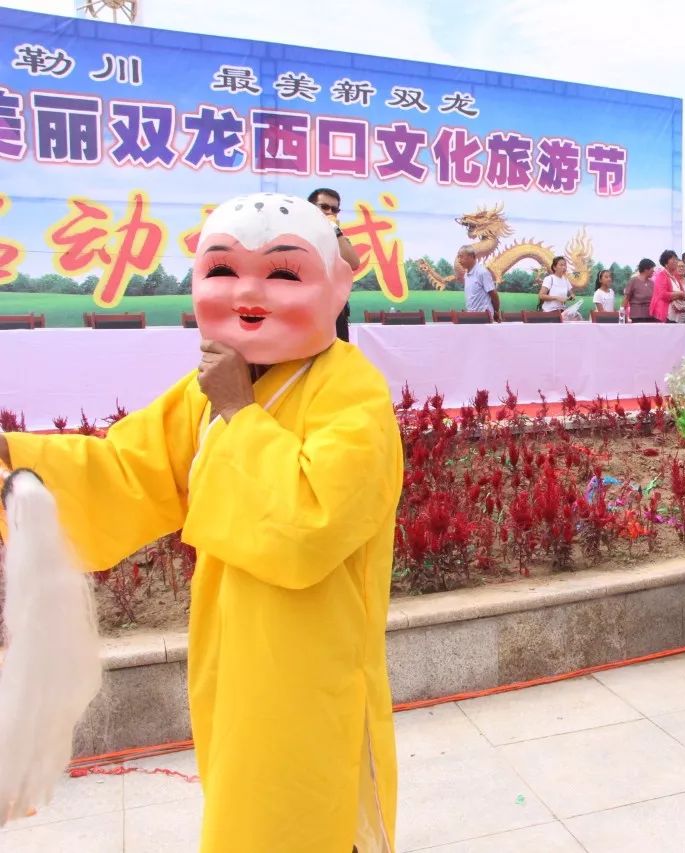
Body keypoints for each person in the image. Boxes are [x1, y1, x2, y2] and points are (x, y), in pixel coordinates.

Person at [0, 194, 403, 852]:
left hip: (309, 671)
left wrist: (242, 414)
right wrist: (19, 455)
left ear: (335, 288)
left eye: (282, 273)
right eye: (222, 270)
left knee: (303, 816)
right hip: (230, 663)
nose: (249, 291)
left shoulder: (351, 392)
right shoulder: (213, 387)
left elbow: (311, 524)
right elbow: (127, 470)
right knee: (243, 809)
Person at [307, 188, 360, 342]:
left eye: (334, 209)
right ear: (310, 207)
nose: (329, 212)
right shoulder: (296, 234)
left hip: (335, 312)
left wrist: (335, 231)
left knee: (336, 362)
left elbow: (353, 262)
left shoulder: (338, 237)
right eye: (324, 207)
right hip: (305, 310)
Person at [456, 247, 500, 320]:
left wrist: (496, 312)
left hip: (484, 317)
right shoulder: (466, 275)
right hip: (472, 317)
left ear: (471, 257)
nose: (459, 261)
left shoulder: (482, 272)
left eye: (461, 257)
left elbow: (493, 294)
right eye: (458, 257)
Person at [622, 258, 657, 322]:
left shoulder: (652, 283)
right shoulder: (633, 281)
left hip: (651, 316)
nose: (653, 271)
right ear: (646, 269)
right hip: (637, 317)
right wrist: (623, 316)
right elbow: (626, 299)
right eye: (652, 268)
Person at [650, 250, 681, 322]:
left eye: (676, 259)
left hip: (674, 315)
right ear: (666, 263)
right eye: (673, 259)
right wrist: (679, 294)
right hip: (663, 313)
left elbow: (682, 293)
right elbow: (662, 294)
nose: (676, 261)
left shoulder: (675, 276)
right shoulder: (661, 275)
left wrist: (682, 295)